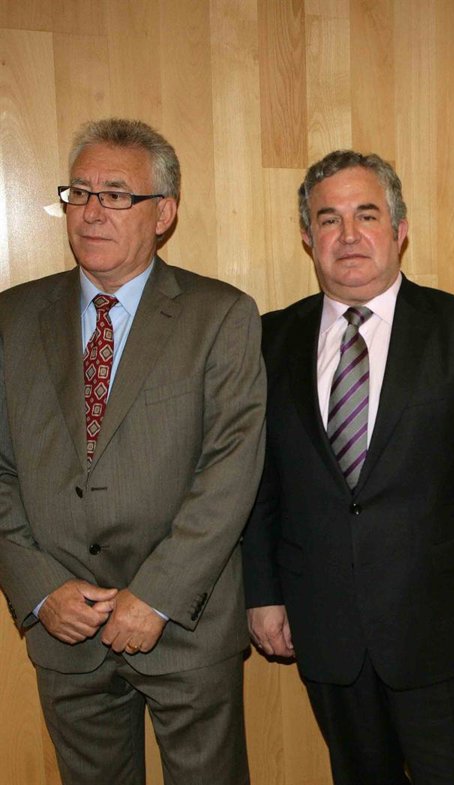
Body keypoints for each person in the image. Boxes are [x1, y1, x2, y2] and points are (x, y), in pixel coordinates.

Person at [242, 150, 454, 785]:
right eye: (329, 219)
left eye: (366, 215)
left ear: (400, 230)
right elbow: (260, 484)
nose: (348, 235)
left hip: (439, 627)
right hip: (325, 626)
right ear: (307, 237)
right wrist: (263, 594)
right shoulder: (269, 339)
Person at [0, 118, 265, 784]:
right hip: (64, 629)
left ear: (164, 213)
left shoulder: (220, 315)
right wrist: (39, 589)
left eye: (116, 194)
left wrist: (157, 596)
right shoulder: (11, 318)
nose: (91, 211)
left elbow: (231, 468)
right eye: (80, 192)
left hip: (184, 626)